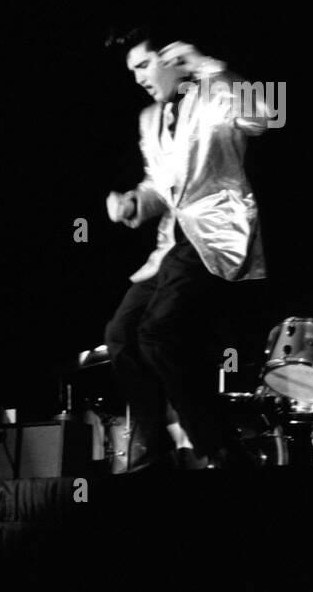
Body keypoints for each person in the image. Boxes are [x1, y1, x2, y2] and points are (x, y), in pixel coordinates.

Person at [104, 26, 270, 471]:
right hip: (171, 243)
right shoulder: (148, 119)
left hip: (215, 232)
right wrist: (136, 202)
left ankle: (219, 448)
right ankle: (153, 447)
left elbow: (270, 112)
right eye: (132, 70)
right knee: (121, 336)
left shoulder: (214, 93)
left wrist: (208, 66)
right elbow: (160, 186)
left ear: (172, 57)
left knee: (157, 332)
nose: (138, 77)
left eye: (143, 65)